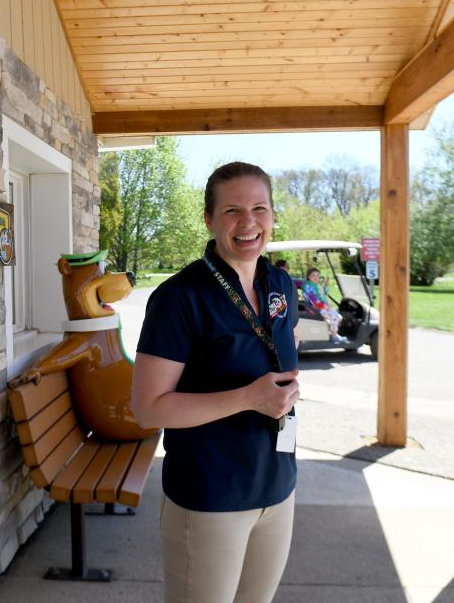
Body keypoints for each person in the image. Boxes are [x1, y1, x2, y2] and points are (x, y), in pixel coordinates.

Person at [131, 161, 301, 603]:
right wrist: (248, 398)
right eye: (232, 211)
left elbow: (281, 351)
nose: (248, 222)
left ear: (272, 215)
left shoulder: (280, 283)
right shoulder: (178, 298)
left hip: (278, 487)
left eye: (259, 208)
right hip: (210, 497)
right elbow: (148, 408)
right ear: (209, 219)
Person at [302, 267, 347, 345]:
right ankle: (334, 337)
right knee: (336, 317)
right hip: (314, 309)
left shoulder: (315, 285)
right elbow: (314, 300)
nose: (316, 277)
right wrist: (324, 306)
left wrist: (326, 285)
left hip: (318, 307)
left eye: (317, 276)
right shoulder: (309, 286)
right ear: (308, 276)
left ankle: (331, 333)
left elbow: (323, 294)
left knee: (337, 316)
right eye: (313, 275)